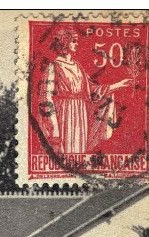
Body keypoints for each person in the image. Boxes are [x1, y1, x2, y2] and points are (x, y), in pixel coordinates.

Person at [40, 27, 132, 155]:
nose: (77, 44)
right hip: (64, 114)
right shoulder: (54, 66)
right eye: (73, 41)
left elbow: (91, 90)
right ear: (64, 42)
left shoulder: (78, 66)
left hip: (80, 113)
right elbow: (46, 98)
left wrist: (117, 85)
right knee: (65, 152)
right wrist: (53, 127)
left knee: (79, 152)